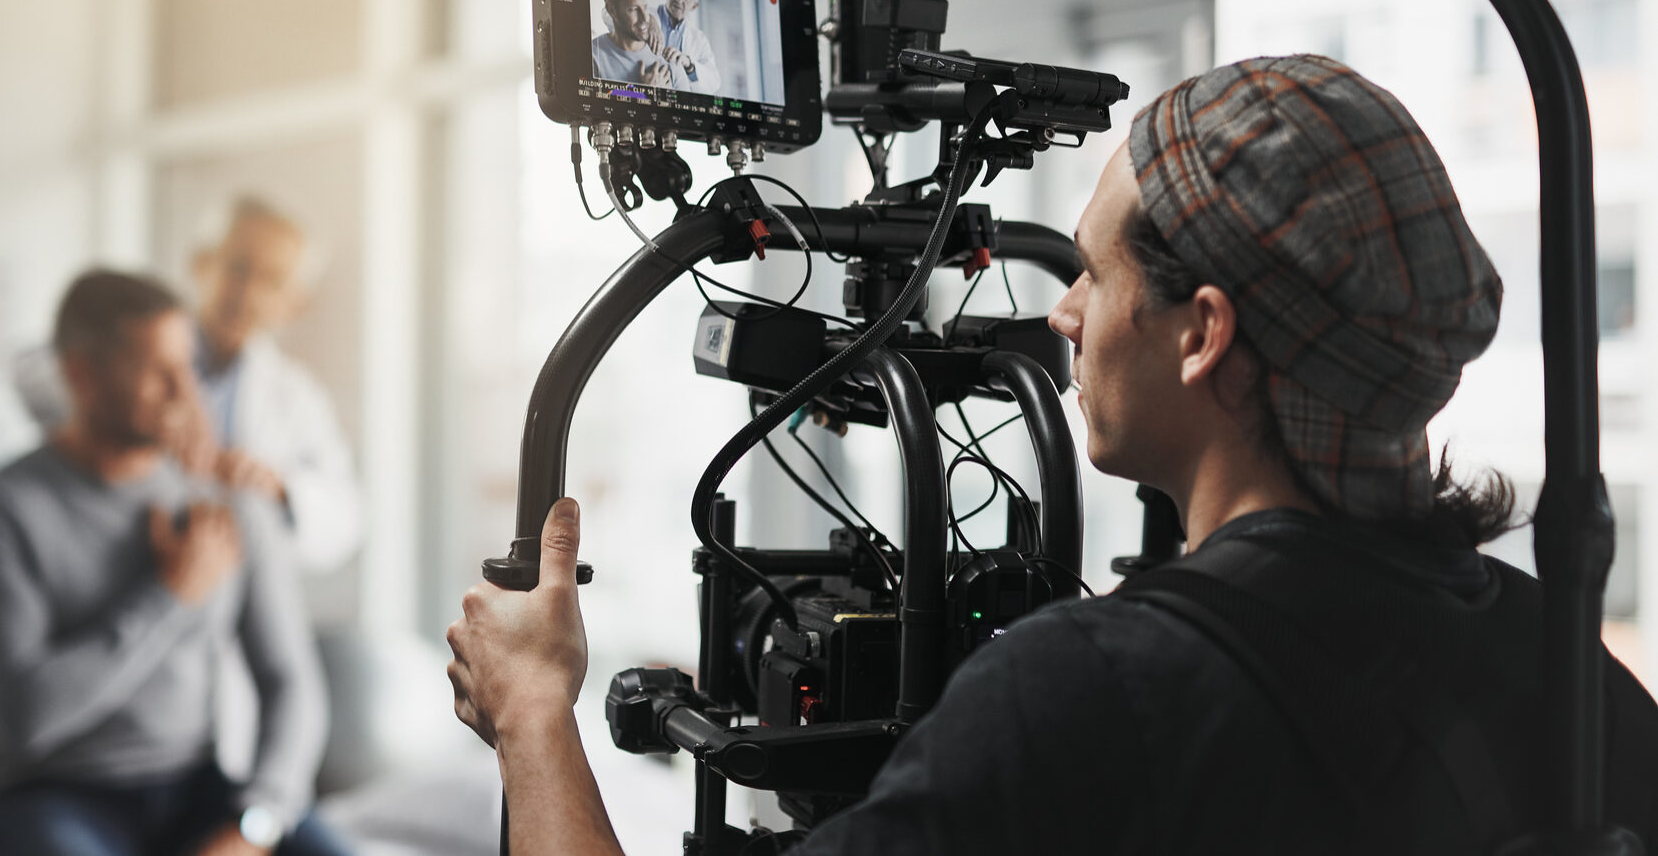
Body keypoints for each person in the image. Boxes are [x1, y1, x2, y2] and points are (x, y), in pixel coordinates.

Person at [446, 55, 1658, 854]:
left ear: (1203, 332)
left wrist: (533, 713)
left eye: (1099, 273)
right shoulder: (1574, 676)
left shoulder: (1094, 698)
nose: (1066, 312)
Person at [0, 269, 349, 856]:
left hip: (195, 786)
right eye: (159, 373)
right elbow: (30, 715)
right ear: (82, 377)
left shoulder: (229, 497)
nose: (186, 392)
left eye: (188, 366)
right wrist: (173, 593)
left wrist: (255, 825)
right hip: (48, 796)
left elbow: (291, 682)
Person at [11, 199, 362, 575]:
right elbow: (37, 373)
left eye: (272, 280)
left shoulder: (297, 396)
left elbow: (346, 520)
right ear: (201, 262)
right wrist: (142, 416)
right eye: (239, 268)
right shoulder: (141, 334)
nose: (248, 293)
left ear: (295, 304)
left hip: (229, 580)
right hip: (114, 560)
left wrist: (279, 490)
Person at [589, 0, 673, 88]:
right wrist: (643, 94)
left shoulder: (666, 60)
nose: (645, 18)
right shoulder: (592, 56)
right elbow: (595, 102)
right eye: (634, 9)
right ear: (612, 10)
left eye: (645, 7)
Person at [654, 0, 722, 92]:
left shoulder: (699, 39)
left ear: (694, 6)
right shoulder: (646, 18)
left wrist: (690, 66)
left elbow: (714, 83)